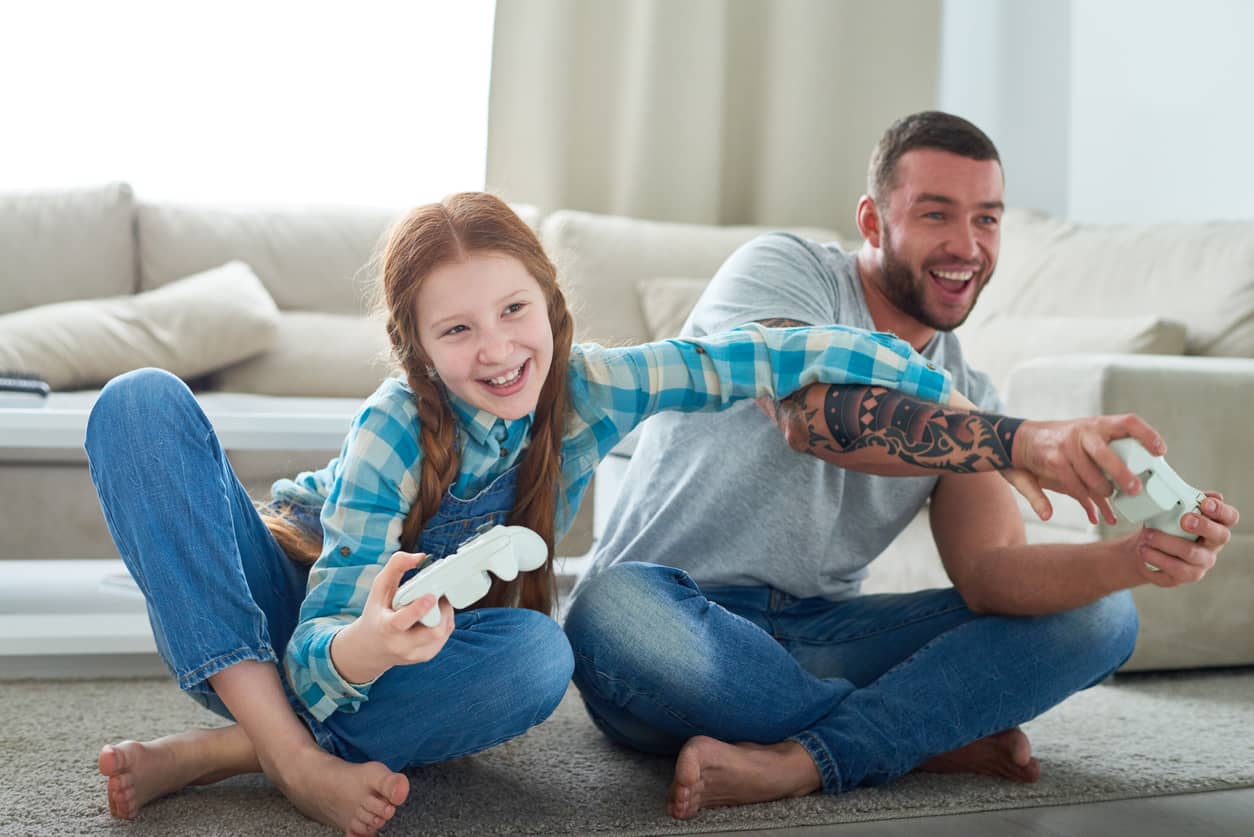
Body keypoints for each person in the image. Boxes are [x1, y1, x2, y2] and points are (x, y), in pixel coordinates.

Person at [84, 191, 1004, 835]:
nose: (497, 350)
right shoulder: (394, 426)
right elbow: (320, 641)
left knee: (537, 656)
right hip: (285, 617)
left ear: (552, 305)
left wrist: (930, 384)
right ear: (419, 352)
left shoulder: (592, 387)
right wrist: (363, 643)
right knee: (137, 401)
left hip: (415, 660)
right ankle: (284, 755)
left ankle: (224, 751)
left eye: (514, 310)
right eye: (457, 331)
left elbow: (749, 359)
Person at [564, 111, 1241, 820]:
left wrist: (1141, 556)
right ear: (872, 219)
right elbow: (811, 417)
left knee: (1103, 616)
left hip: (821, 637)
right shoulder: (786, 272)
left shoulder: (970, 392)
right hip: (678, 618)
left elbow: (991, 575)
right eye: (935, 214)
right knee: (611, 610)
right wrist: (1021, 441)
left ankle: (805, 758)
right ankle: (908, 736)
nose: (966, 245)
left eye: (987, 219)